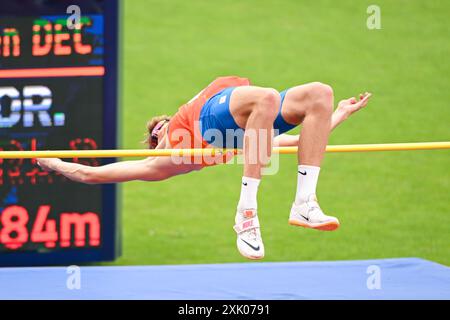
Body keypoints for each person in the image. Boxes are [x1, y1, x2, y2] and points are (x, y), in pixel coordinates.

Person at [38, 76, 371, 260]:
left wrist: (336, 114)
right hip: (217, 115)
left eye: (162, 128)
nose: (161, 134)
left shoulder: (227, 146)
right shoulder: (166, 164)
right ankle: (247, 214)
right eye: (156, 138)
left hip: (245, 121)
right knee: (268, 97)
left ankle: (305, 204)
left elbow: (301, 143)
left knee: (321, 95)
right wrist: (55, 163)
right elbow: (93, 174)